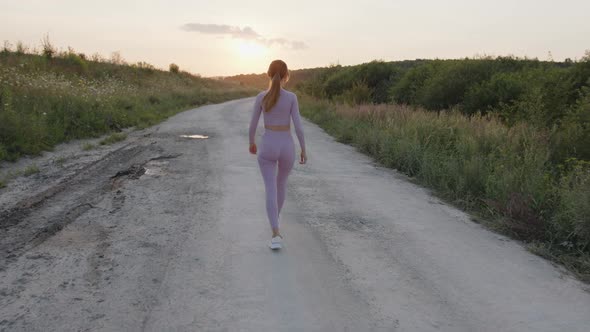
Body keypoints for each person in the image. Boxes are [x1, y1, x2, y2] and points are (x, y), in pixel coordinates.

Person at [248, 60, 307, 250]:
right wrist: (303, 148)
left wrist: (252, 142)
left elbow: (252, 125)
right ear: (286, 76)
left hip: (268, 145)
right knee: (281, 184)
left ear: (268, 74)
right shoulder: (291, 97)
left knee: (270, 188)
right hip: (286, 146)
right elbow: (298, 126)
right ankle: (276, 220)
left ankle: (275, 233)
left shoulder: (261, 97)